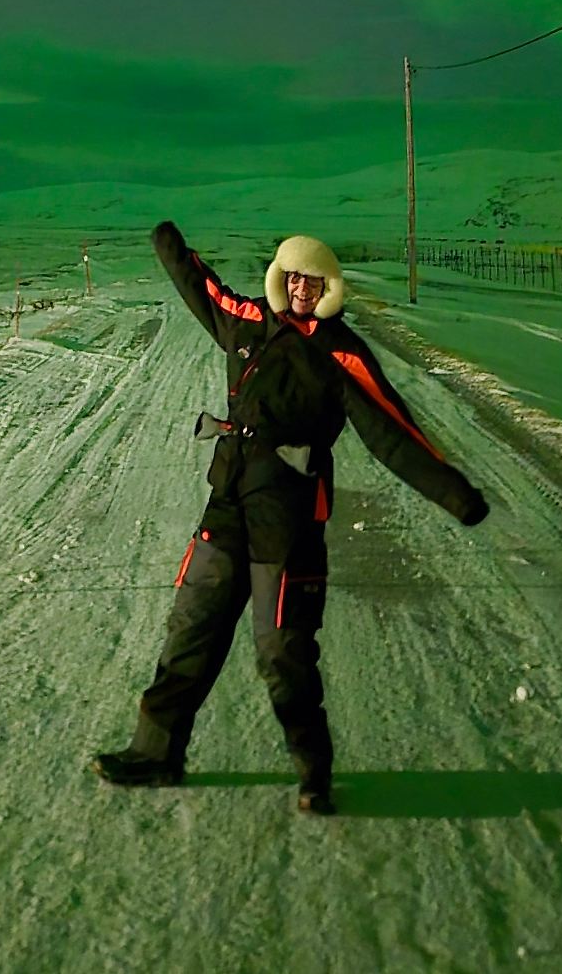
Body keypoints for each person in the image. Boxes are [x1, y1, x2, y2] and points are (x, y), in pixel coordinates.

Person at [91, 221, 489, 816]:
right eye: (295, 277)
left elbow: (394, 432)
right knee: (191, 629)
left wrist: (458, 496)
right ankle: (156, 752)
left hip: (290, 520)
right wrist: (166, 241)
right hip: (226, 505)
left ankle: (313, 773)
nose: (303, 289)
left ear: (329, 288)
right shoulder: (248, 322)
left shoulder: (342, 353)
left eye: (315, 280)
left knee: (282, 650)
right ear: (283, 279)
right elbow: (202, 287)